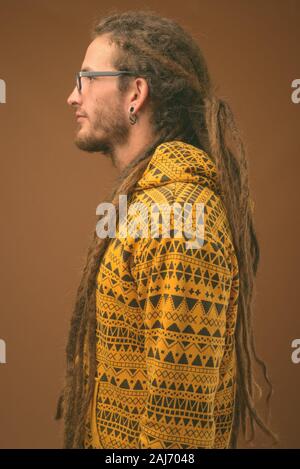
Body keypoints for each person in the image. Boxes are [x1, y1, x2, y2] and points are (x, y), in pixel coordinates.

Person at [55, 10, 279, 449]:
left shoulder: (178, 219)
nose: (71, 96)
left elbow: (177, 439)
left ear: (135, 93)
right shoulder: (150, 203)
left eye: (86, 79)